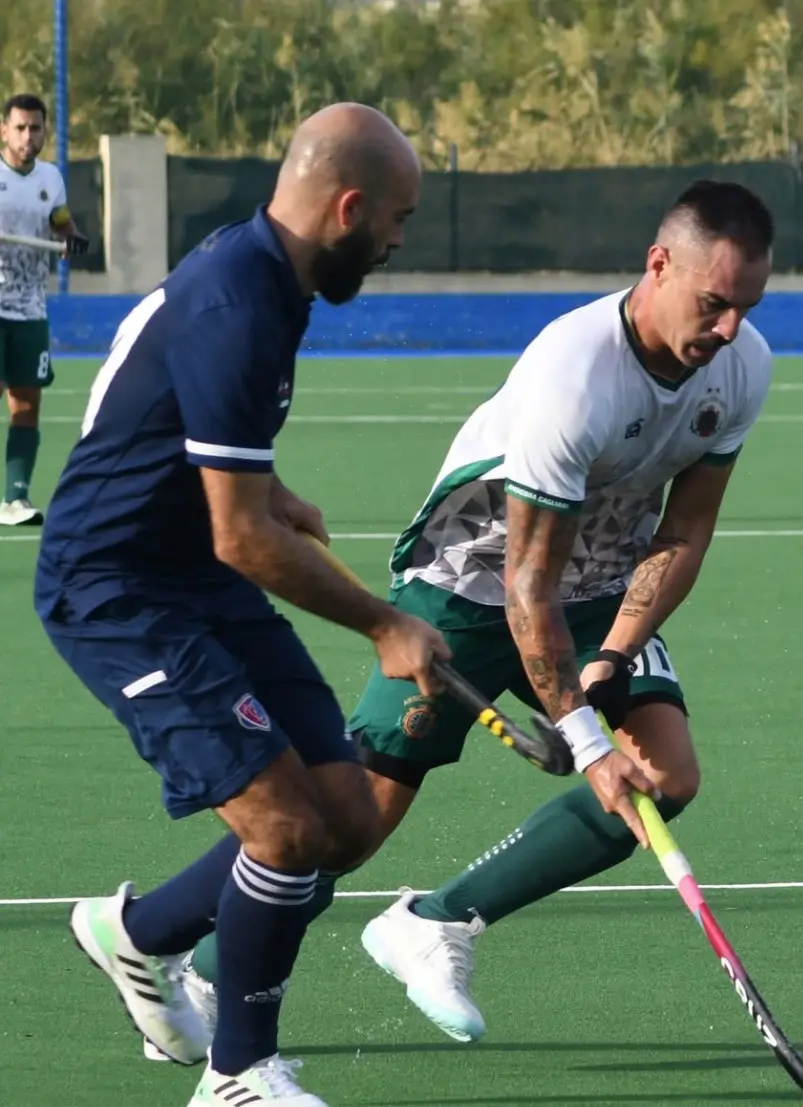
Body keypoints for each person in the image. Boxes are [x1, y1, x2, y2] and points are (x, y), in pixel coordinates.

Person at [166, 178, 775, 1046]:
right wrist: (587, 741)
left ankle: (437, 921)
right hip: (472, 585)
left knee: (664, 780)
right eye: (714, 304)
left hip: (598, 587)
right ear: (659, 265)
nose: (726, 331)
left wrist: (617, 652)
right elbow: (528, 584)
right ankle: (191, 961)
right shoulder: (575, 374)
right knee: (347, 826)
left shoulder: (742, 364)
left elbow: (685, 530)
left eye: (745, 309)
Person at [39, 102, 451, 1106]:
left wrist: (272, 489)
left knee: (345, 816)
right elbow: (240, 539)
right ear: (348, 207)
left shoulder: (272, 273)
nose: (398, 240)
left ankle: (137, 936)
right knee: (285, 832)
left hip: (194, 575)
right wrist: (385, 623)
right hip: (118, 591)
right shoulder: (239, 298)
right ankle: (236, 1077)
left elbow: (202, 452)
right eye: (396, 218)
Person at [0, 92, 89, 525]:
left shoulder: (50, 178)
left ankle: (14, 499)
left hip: (31, 307)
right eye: (19, 127)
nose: (27, 136)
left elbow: (60, 221)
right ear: (3, 130)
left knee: (27, 404)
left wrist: (70, 237)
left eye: (35, 128)